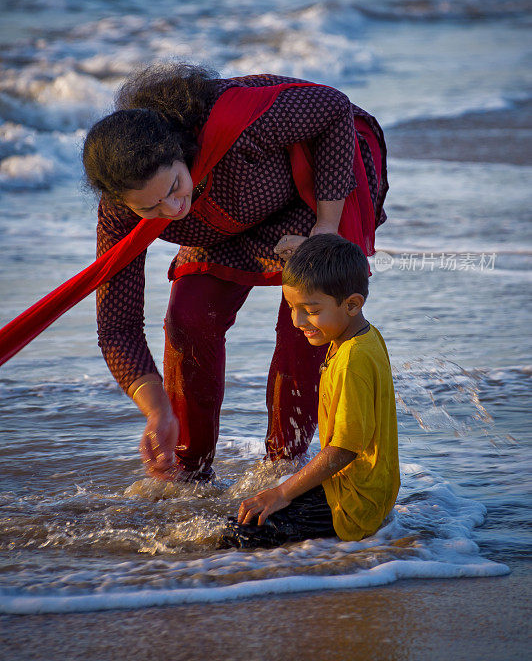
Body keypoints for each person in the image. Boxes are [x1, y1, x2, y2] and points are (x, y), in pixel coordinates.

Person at [82, 63, 388, 482]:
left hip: (306, 200)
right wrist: (156, 411)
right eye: (149, 209)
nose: (170, 210)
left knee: (308, 321)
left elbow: (334, 108)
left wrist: (325, 229)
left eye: (173, 186)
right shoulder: (120, 214)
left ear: (180, 150)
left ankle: (283, 467)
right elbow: (116, 327)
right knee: (188, 318)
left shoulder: (236, 126)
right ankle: (188, 470)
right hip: (216, 222)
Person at [220, 235, 399, 547]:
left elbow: (343, 450)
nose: (298, 320)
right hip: (362, 486)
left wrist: (280, 493)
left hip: (355, 502)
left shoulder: (351, 360)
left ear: (353, 304)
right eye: (292, 307)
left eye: (311, 310)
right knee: (245, 512)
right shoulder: (362, 337)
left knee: (240, 533)